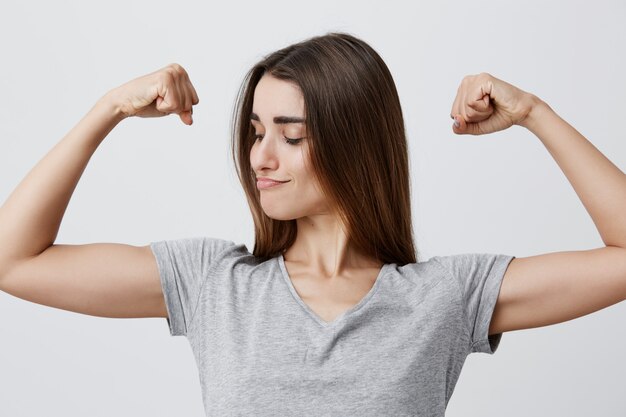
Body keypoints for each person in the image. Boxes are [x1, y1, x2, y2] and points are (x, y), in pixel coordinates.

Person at [0, 32, 624, 416]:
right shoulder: (215, 284)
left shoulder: (445, 297)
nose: (260, 158)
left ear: (354, 144)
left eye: (289, 135)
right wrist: (107, 108)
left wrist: (536, 113)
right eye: (255, 132)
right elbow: (14, 261)